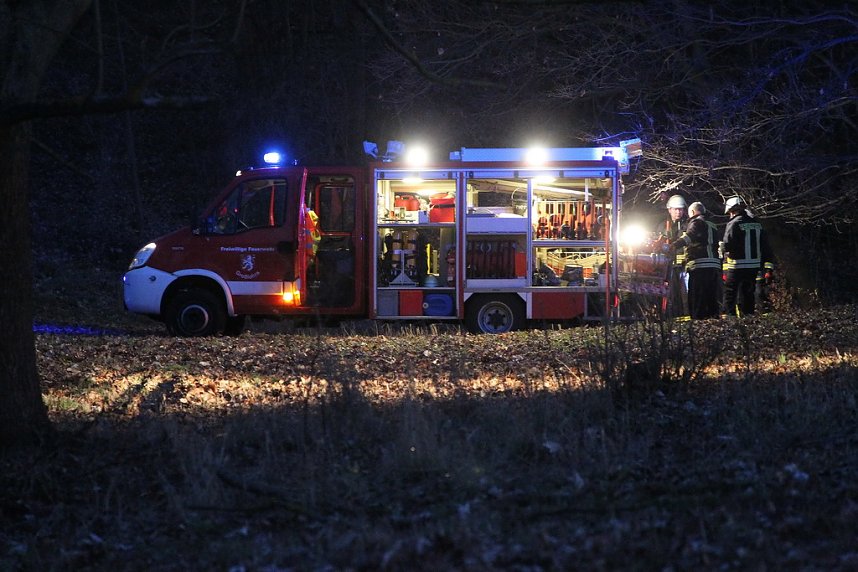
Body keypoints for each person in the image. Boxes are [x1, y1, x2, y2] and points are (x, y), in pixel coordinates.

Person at [722, 196, 772, 317]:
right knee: (748, 293)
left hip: (737, 265)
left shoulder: (734, 223)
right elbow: (765, 246)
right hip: (754, 266)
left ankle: (731, 319)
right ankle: (748, 318)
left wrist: (722, 248)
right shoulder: (757, 224)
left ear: (732, 211)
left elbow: (727, 245)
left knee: (730, 293)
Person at [670, 202, 721, 319]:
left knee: (697, 297)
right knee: (711, 296)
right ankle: (714, 321)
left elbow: (690, 236)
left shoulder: (696, 222)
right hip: (713, 264)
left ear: (692, 212)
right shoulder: (712, 224)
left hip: (700, 265)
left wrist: (674, 245)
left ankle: (698, 322)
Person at [659, 194, 689, 317]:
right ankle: (670, 316)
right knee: (670, 293)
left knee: (686, 293)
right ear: (669, 209)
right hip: (668, 266)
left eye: (680, 209)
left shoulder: (687, 225)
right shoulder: (662, 226)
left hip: (684, 265)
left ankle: (686, 315)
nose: (678, 212)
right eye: (675, 209)